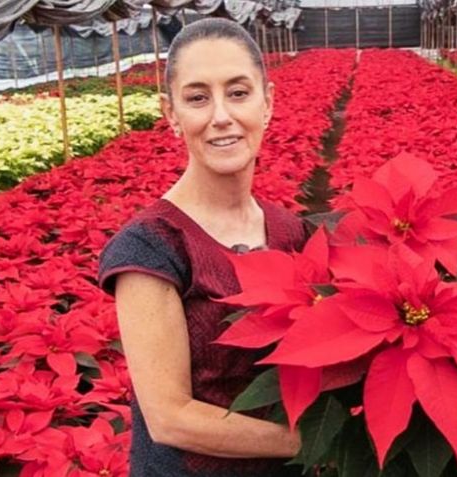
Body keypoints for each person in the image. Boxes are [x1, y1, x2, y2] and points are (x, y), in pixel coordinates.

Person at [97, 18, 306, 477]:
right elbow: (172, 419)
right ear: (171, 114)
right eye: (197, 98)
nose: (221, 116)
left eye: (238, 92)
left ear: (267, 102)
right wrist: (318, 441)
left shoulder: (291, 231)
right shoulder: (152, 247)